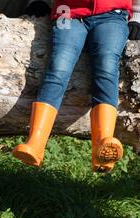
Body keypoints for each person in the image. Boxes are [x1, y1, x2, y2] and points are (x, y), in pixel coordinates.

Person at [12, 0, 140, 172]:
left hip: (112, 14)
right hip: (68, 12)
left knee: (107, 66)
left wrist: (137, 16)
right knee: (59, 66)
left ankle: (103, 143)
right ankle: (36, 142)